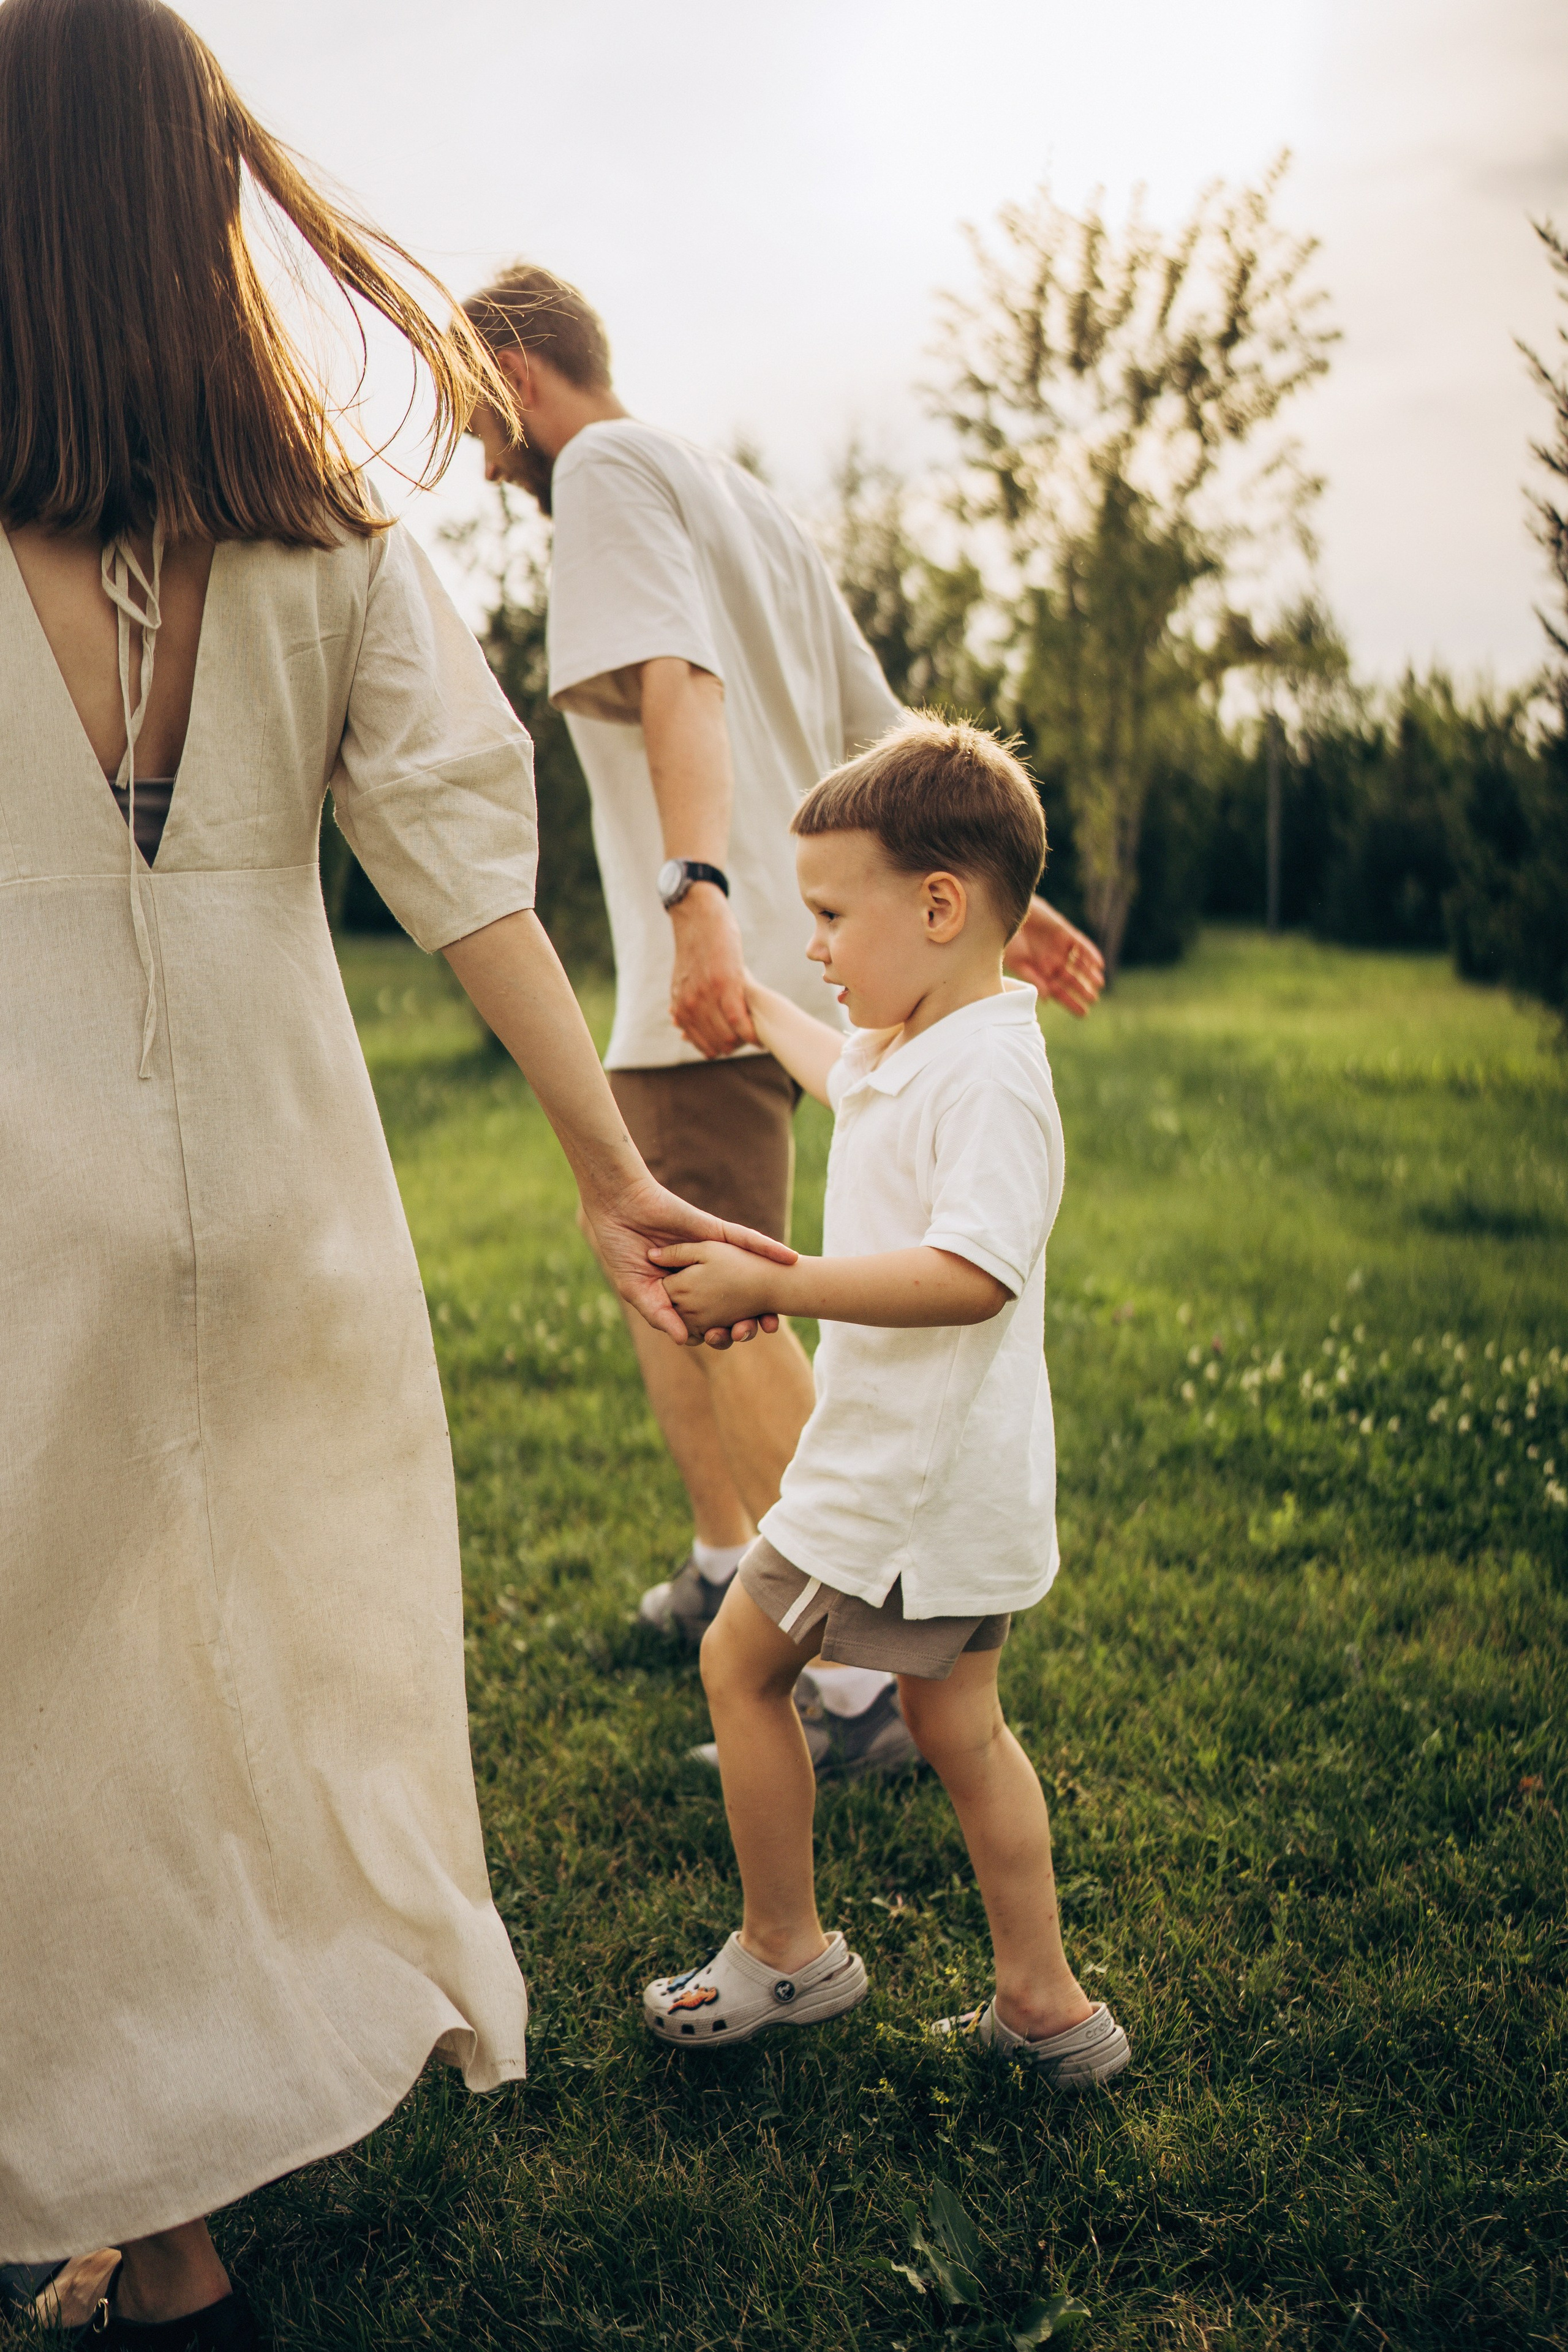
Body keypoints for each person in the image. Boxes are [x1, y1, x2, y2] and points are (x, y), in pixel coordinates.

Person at [0, 4, 786, 2342]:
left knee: (53, 1698)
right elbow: (470, 874)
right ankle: (165, 2211)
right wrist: (601, 1169)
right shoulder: (328, 533)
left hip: (24, 1166)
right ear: (199, 208)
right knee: (213, 1670)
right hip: (287, 1180)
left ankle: (145, 2209)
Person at [461, 264, 1107, 1776]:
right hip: (754, 953)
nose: (475, 456)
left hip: (734, 956)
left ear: (517, 373)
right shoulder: (735, 493)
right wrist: (1004, 896)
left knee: (729, 1291)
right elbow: (888, 732)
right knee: (666, 1274)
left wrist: (697, 897)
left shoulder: (600, 471)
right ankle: (722, 1554)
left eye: (470, 409)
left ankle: (857, 1680)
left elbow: (679, 687)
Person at [639, 717, 1132, 2089]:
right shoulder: (924, 1037)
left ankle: (784, 1950)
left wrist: (779, 1282)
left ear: (939, 907)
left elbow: (973, 1275)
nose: (815, 946)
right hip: (944, 1488)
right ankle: (1046, 2009)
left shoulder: (989, 1078)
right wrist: (748, 1002)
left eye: (829, 915)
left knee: (740, 1667)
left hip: (892, 1494)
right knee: (956, 1728)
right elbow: (842, 1074)